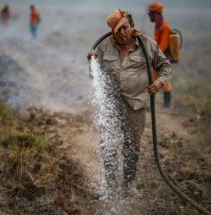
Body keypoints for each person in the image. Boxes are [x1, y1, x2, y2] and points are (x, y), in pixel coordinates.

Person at [87, 9, 171, 195]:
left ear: (133, 26)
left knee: (132, 147)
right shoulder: (103, 46)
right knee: (108, 145)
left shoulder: (147, 44)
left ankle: (128, 185)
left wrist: (158, 82)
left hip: (135, 106)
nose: (123, 32)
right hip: (111, 104)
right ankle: (110, 186)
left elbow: (165, 66)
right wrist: (91, 63)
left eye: (126, 27)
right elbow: (95, 77)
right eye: (119, 29)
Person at [148, 1, 173, 108]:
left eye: (151, 14)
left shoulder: (164, 27)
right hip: (159, 57)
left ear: (156, 14)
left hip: (162, 59)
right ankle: (155, 105)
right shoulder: (158, 26)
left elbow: (162, 46)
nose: (150, 16)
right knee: (155, 80)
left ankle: (165, 106)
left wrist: (154, 56)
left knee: (161, 81)